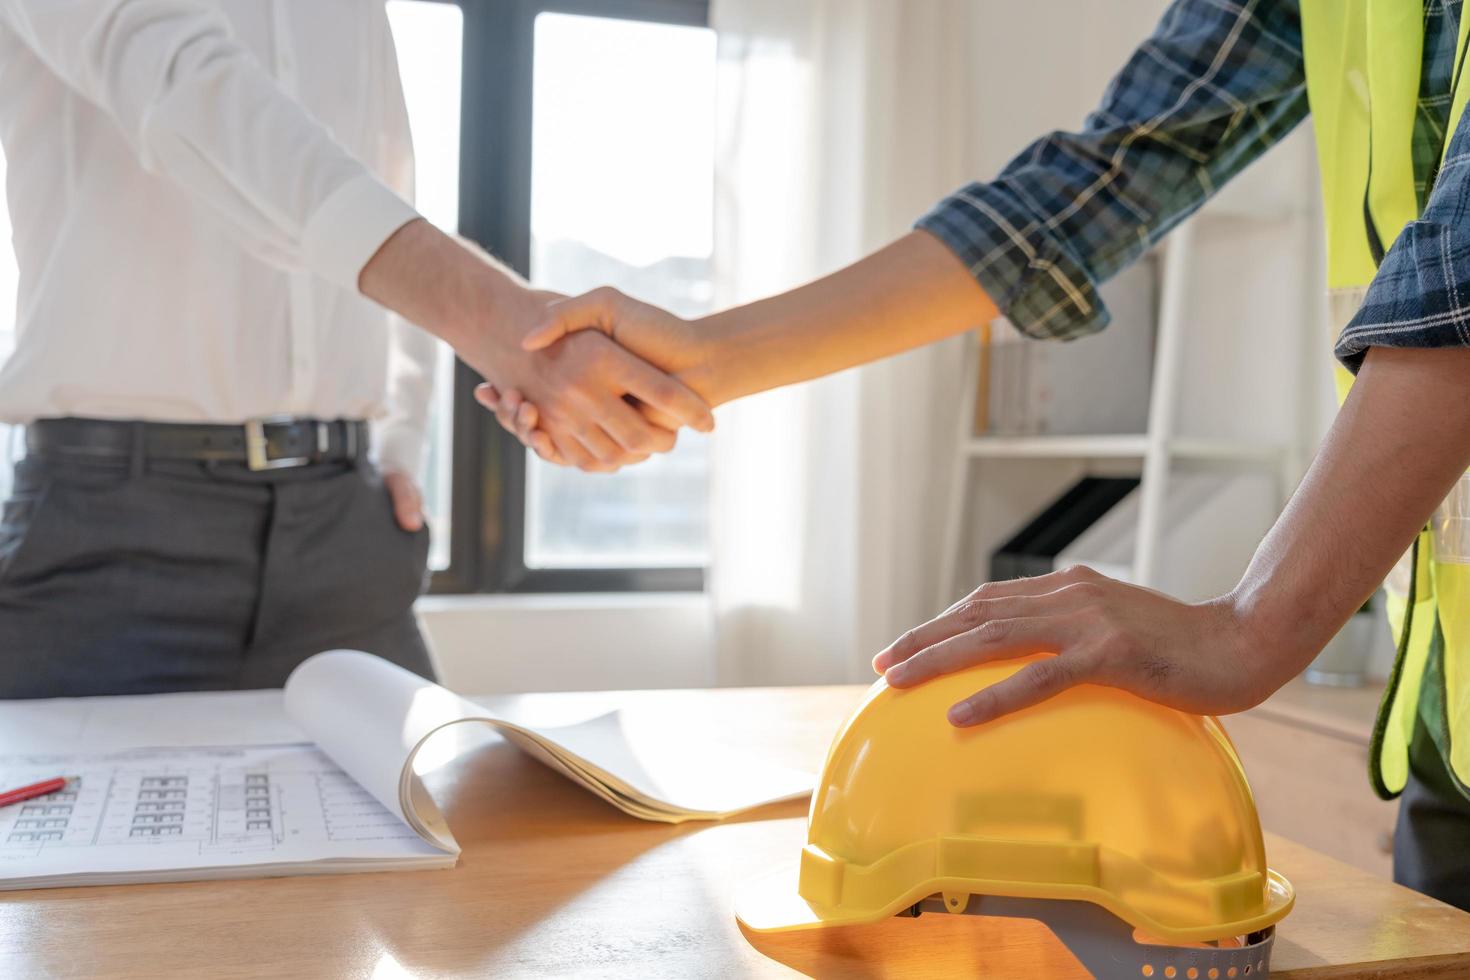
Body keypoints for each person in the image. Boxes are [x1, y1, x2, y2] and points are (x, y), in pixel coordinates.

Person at [480, 0, 1470, 908]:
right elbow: (1083, 189)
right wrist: (703, 360)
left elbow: (1459, 269)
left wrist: (1253, 626)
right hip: (1447, 713)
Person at [0, 1, 713, 699]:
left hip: (343, 528)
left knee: (440, 813)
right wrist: (504, 323)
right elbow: (188, 94)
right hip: (106, 538)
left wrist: (399, 441)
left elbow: (382, 197)